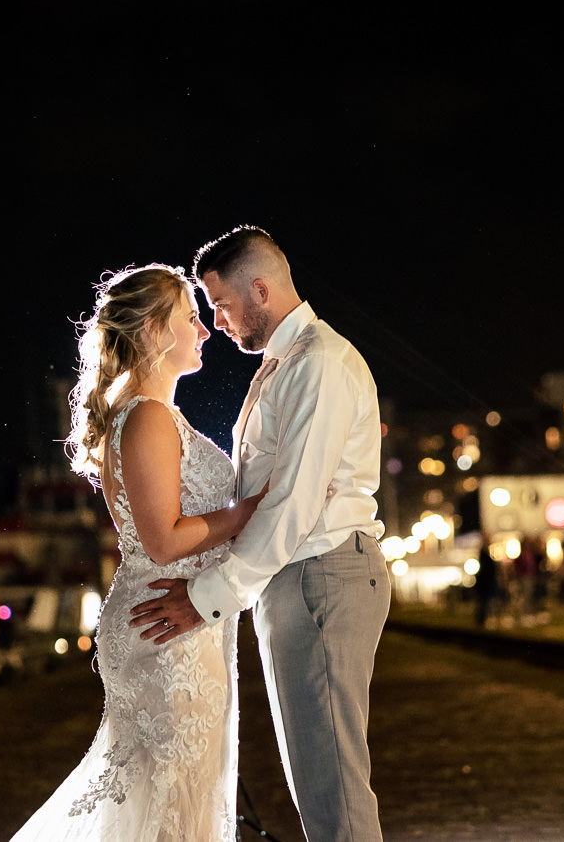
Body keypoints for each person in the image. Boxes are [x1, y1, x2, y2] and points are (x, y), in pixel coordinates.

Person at [129, 226, 391, 842]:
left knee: (332, 786)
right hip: (298, 578)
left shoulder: (318, 364)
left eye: (219, 304)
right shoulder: (283, 365)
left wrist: (207, 598)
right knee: (316, 777)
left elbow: (295, 502)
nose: (215, 322)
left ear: (262, 290)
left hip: (320, 573)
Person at [12, 264, 266, 841]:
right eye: (191, 319)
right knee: (171, 786)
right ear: (153, 331)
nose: (205, 332)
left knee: (173, 787)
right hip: (165, 623)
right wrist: (258, 508)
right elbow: (165, 539)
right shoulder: (147, 416)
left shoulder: (150, 414)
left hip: (173, 616)